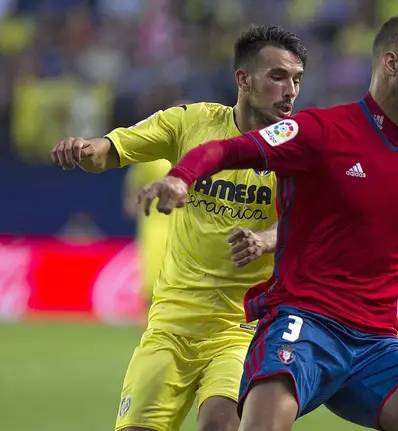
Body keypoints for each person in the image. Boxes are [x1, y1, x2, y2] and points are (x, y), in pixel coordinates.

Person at [138, 14, 398, 431]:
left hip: (375, 343)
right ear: (390, 64)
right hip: (304, 325)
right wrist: (180, 177)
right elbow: (228, 150)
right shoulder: (319, 131)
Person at [50, 25, 307, 431]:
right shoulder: (189, 122)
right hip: (172, 322)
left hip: (241, 329)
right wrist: (83, 149)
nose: (290, 90)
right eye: (277, 76)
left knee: (218, 425)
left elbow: (309, 222)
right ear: (243, 79)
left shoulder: (298, 149)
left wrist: (265, 238)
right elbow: (108, 151)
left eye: (296, 79)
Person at [124, 158, 172, 307]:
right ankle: (149, 327)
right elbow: (134, 183)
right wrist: (132, 201)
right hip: (154, 226)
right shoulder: (151, 157)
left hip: (185, 226)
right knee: (151, 283)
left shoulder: (192, 149)